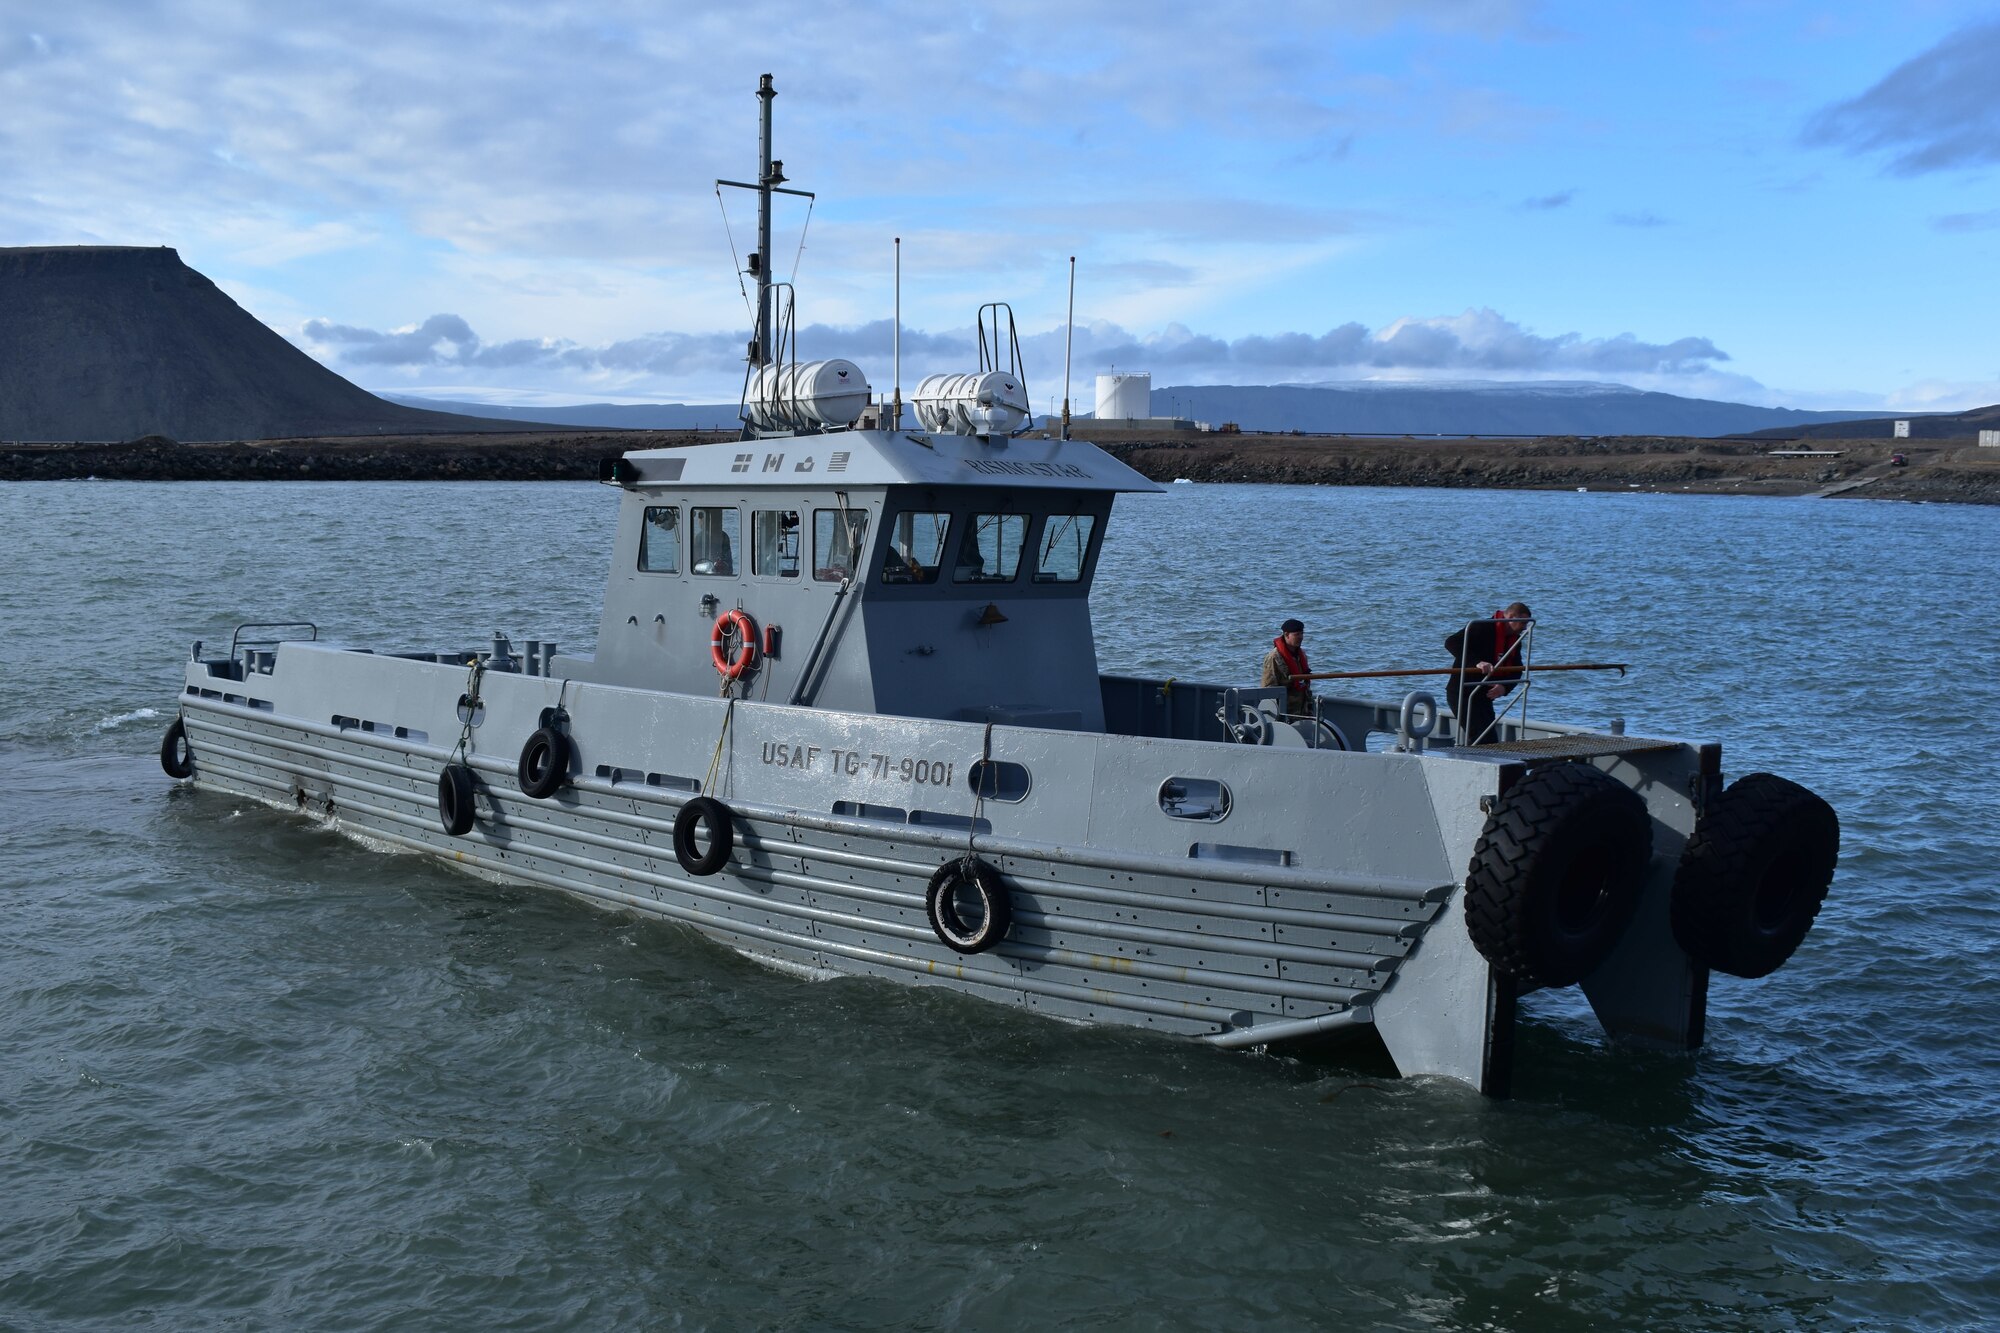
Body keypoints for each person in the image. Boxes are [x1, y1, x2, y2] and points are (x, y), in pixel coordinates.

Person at [1445, 602, 1533, 745]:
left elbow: (1517, 669)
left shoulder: (1515, 640)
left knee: (1490, 739)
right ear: (1511, 617)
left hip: (1483, 696)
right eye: (1523, 623)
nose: (1524, 628)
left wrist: (1504, 687)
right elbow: (1451, 642)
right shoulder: (1482, 627)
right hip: (1462, 692)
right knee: (1481, 737)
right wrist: (1477, 662)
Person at [1260, 618, 1313, 718]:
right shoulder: (1274, 658)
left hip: (1302, 711)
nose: (1301, 637)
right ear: (1286, 635)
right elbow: (1268, 688)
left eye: (1302, 634)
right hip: (1284, 712)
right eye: (1297, 634)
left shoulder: (1301, 655)